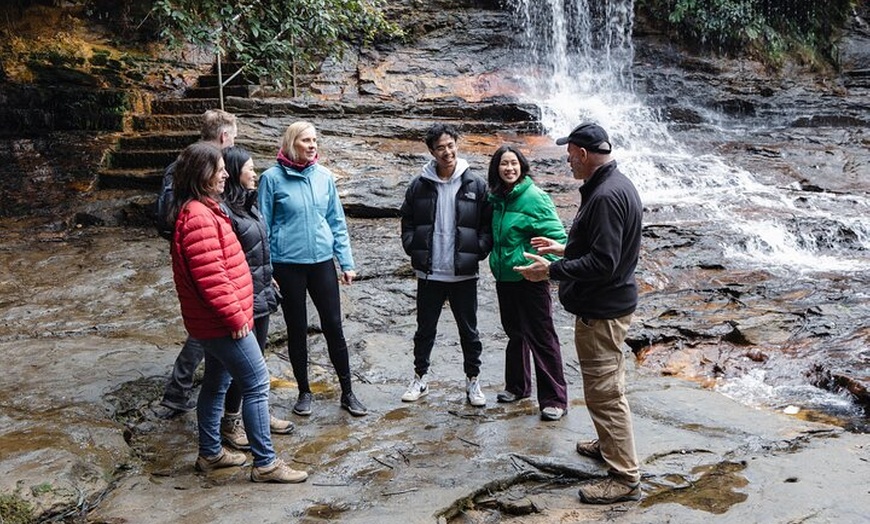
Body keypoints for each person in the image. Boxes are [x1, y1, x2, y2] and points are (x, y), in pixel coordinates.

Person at [515, 122, 643, 504]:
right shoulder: (617, 185)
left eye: (570, 154)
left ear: (583, 154)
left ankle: (625, 477)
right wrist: (564, 248)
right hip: (611, 305)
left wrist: (550, 270)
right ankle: (608, 444)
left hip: (602, 311)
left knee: (605, 393)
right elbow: (606, 248)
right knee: (607, 385)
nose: (568, 161)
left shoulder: (605, 196)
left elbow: (604, 262)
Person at [168, 142, 307, 483]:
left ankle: (211, 453)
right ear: (203, 174)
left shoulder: (204, 209)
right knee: (257, 383)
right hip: (222, 323)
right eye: (219, 169)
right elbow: (212, 279)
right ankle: (266, 463)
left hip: (216, 322)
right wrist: (236, 319)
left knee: (216, 384)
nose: (225, 175)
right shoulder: (198, 217)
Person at [257, 121, 368, 418]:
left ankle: (348, 392)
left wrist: (346, 262)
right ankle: (304, 392)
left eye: (315, 140)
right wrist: (267, 270)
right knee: (297, 329)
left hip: (321, 263)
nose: (312, 145)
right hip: (287, 266)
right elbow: (262, 228)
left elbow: (336, 221)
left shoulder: (324, 177)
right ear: (291, 143)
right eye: (306, 140)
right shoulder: (271, 179)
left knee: (334, 326)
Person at [399, 123, 493, 407]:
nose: (447, 152)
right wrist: (412, 246)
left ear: (457, 145)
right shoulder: (419, 185)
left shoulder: (475, 184)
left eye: (450, 145)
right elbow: (407, 220)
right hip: (430, 272)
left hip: (463, 273)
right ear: (432, 151)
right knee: (424, 330)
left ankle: (473, 380)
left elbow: (487, 224)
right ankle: (420, 378)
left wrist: (477, 251)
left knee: (469, 332)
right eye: (440, 148)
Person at [157, 109, 238, 417]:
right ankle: (179, 389)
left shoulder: (184, 161)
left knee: (205, 320)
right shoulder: (210, 166)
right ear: (224, 136)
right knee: (207, 321)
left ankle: (181, 389)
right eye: (233, 138)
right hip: (204, 248)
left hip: (191, 247)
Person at [217, 146, 295, 450]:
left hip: (261, 291)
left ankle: (258, 414)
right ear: (236, 172)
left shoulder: (250, 204)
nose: (255, 173)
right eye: (250, 168)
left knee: (258, 359)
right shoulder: (226, 212)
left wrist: (269, 274)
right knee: (245, 367)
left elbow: (259, 247)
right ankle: (230, 422)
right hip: (241, 297)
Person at [486, 145, 569, 421]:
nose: (509, 168)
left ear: (522, 166)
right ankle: (517, 387)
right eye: (504, 164)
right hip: (505, 277)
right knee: (515, 333)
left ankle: (555, 399)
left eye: (514, 163)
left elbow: (559, 238)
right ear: (496, 169)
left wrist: (546, 267)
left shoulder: (535, 197)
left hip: (531, 278)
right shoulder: (497, 198)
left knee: (542, 337)